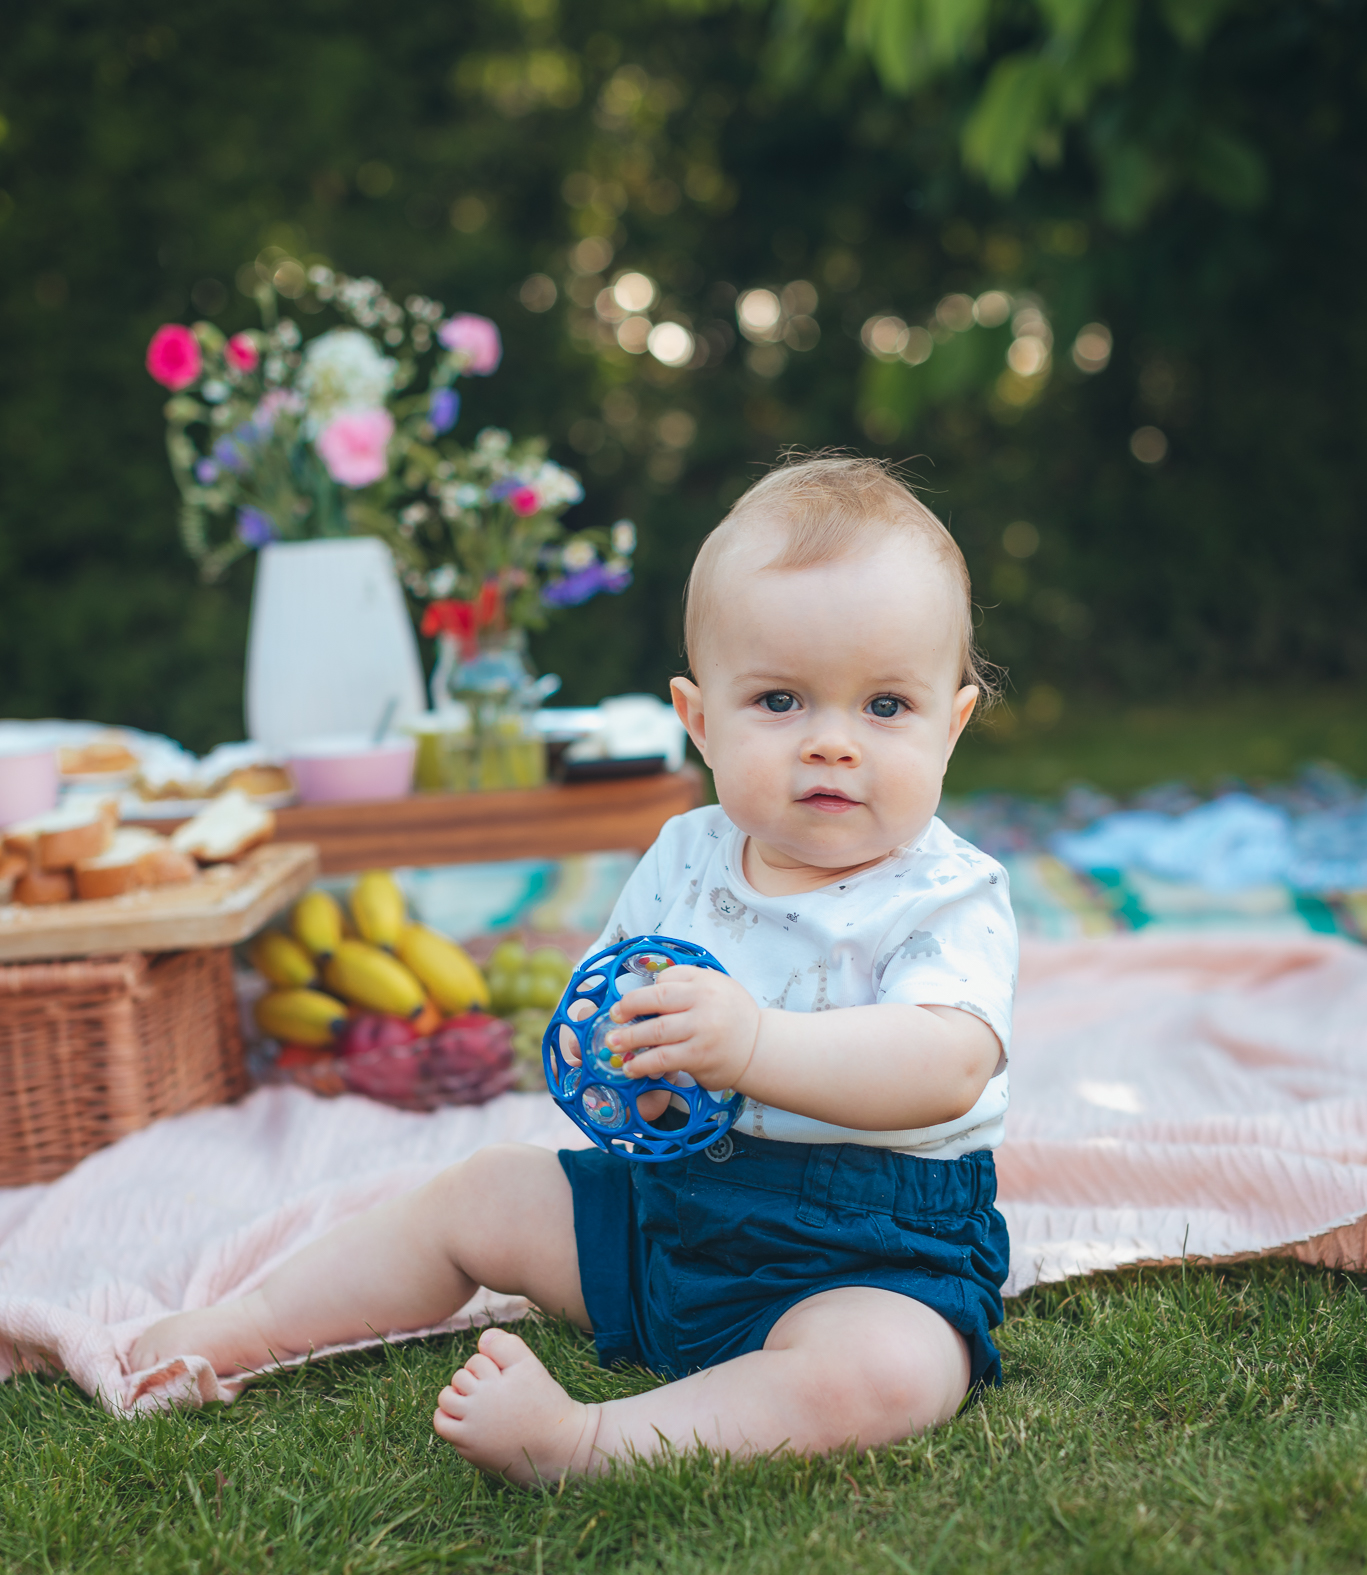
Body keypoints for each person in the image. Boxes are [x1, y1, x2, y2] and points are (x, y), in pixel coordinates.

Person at [130, 454, 1017, 1482]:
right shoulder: (685, 853)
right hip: (667, 1212)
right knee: (477, 1193)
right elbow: (607, 985)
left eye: (883, 707)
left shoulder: (946, 894)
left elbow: (945, 1063)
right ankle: (247, 1323)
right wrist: (617, 1047)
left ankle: (587, 1441)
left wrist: (754, 1043)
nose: (830, 744)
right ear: (697, 719)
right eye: (779, 700)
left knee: (892, 1372)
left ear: (949, 725)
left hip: (865, 1251)